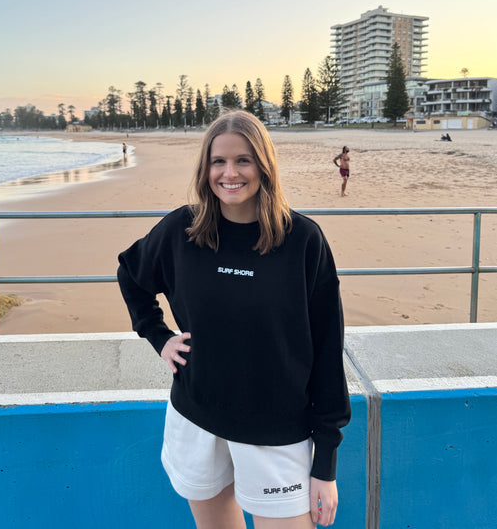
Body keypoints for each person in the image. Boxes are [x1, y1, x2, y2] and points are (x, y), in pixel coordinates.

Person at [118, 110, 351, 528]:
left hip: (277, 431)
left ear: (264, 165)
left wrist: (325, 463)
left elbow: (328, 350)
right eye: (218, 161)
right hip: (196, 416)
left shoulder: (302, 240)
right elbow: (130, 273)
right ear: (205, 167)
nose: (230, 173)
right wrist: (158, 336)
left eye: (243, 160)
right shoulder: (181, 230)